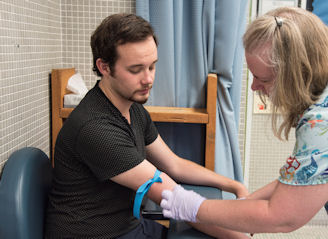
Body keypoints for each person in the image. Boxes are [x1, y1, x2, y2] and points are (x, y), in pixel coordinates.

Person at [160, 7, 328, 238]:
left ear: (297, 73)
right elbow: (304, 178)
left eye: (264, 79)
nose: (255, 86)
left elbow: (283, 216)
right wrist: (243, 207)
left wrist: (195, 207)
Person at [44, 13, 249, 239]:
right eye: (136, 69)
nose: (148, 79)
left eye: (152, 67)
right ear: (104, 67)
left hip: (129, 226)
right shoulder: (96, 129)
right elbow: (174, 198)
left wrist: (233, 185)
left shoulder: (131, 108)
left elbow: (174, 165)